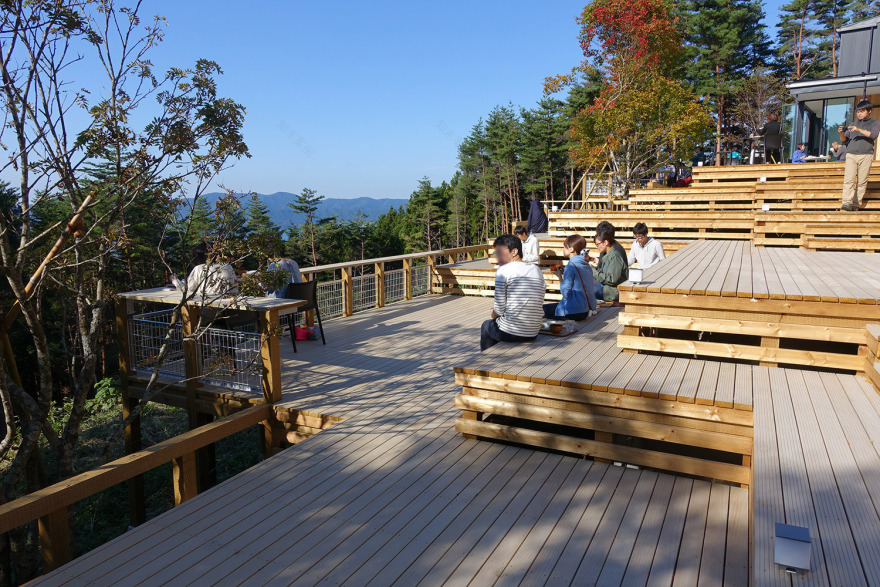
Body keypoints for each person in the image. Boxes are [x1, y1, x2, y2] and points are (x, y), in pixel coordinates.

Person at [480, 234, 545, 351]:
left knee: (486, 325)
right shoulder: (536, 269)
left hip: (512, 332)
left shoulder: (504, 270)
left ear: (514, 251)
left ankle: (484, 364)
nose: (497, 256)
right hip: (533, 331)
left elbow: (498, 310)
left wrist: (493, 313)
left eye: (500, 252)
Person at [544, 234, 597, 321]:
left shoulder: (570, 266)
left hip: (572, 312)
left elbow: (565, 293)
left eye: (565, 247)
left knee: (540, 310)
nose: (563, 249)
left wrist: (560, 277)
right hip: (585, 311)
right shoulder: (586, 265)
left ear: (571, 249)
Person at [840, 99, 880, 211]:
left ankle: (856, 203)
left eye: (862, 111)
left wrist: (859, 130)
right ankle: (846, 202)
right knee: (849, 179)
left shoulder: (875, 123)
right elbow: (844, 140)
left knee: (862, 181)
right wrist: (841, 133)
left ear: (869, 111)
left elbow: (873, 135)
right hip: (851, 154)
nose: (859, 113)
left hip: (866, 155)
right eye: (858, 112)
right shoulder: (853, 124)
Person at [591, 227, 628, 303]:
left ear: (606, 242)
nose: (597, 247)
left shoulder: (615, 256)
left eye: (597, 244)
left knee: (583, 290)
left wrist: (593, 272)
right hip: (606, 288)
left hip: (612, 292)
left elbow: (612, 280)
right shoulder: (608, 254)